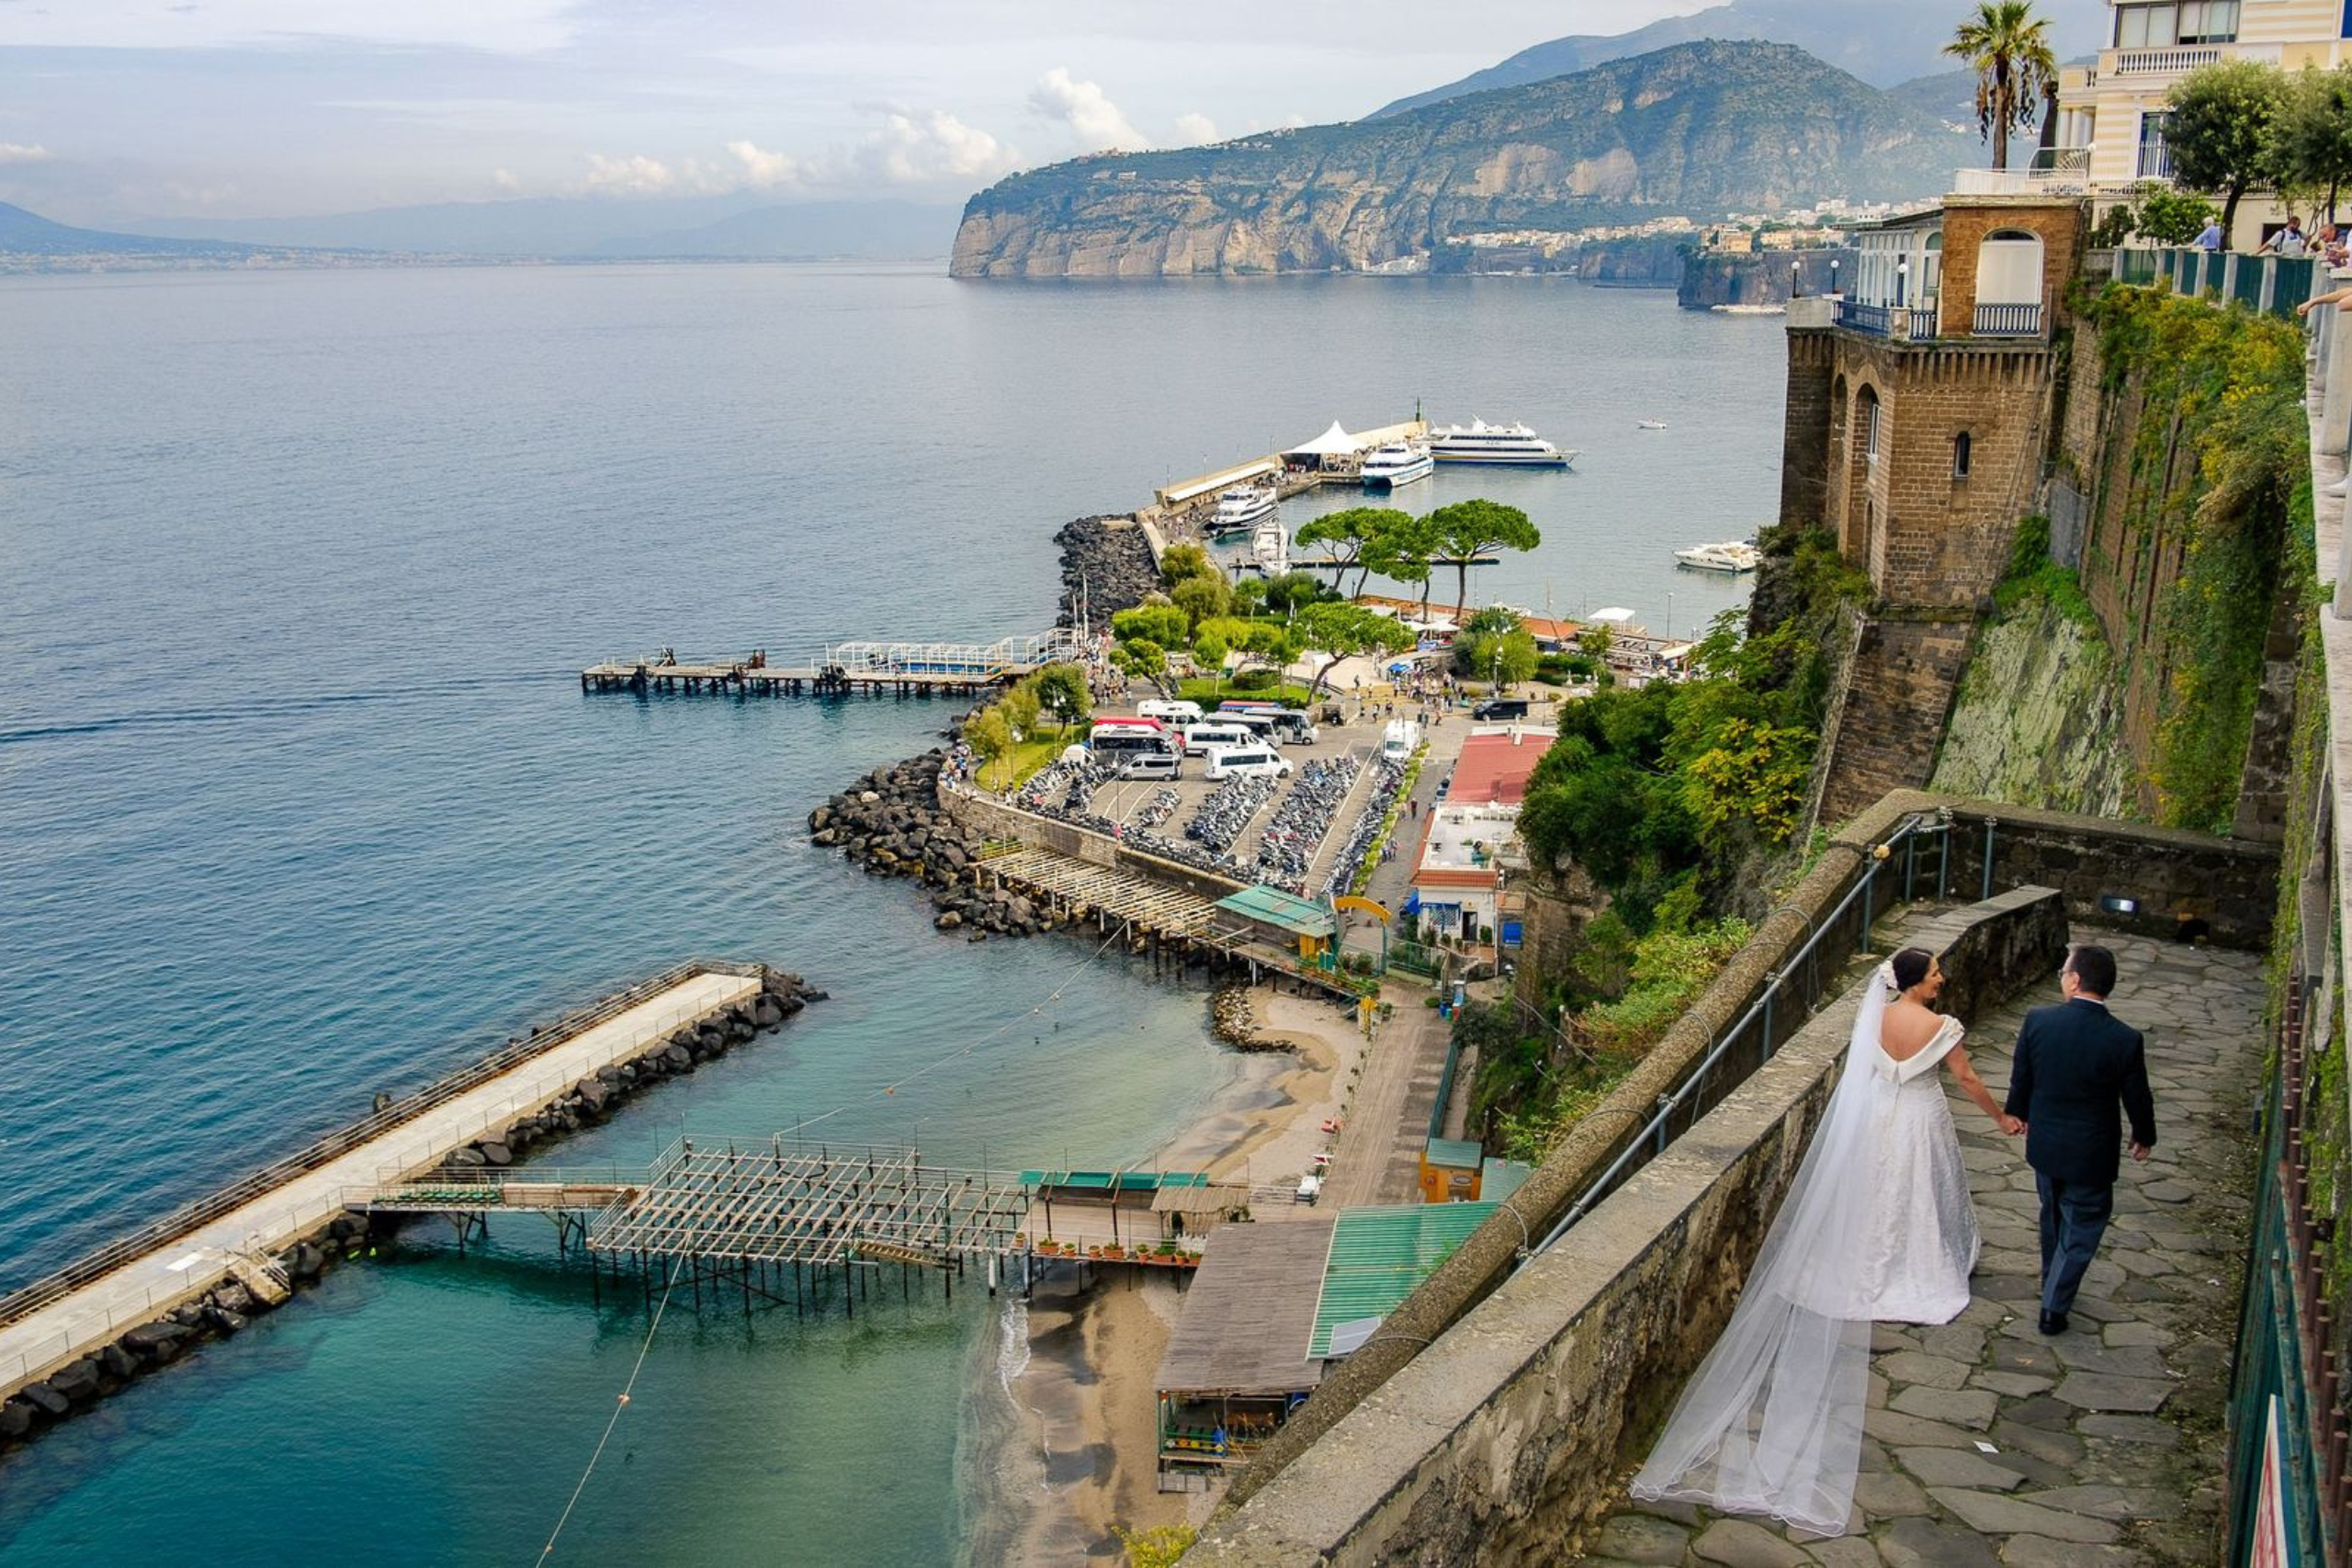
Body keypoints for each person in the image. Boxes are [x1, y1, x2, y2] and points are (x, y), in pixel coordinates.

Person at [1631, 947, 2019, 1536]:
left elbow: (1860, 1075)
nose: (1944, 977)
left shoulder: (1877, 1016)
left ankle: (1862, 1264)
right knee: (1911, 1198)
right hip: (1917, 1121)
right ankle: (1905, 1271)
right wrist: (2003, 1118)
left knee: (1870, 1198)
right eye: (1936, 970)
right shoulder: (1941, 1027)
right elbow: (1964, 1077)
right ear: (1917, 981)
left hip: (1875, 1120)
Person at [2003, 943, 2155, 1336]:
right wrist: (2144, 1135)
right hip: (2092, 1149)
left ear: (2075, 980)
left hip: (2047, 1142)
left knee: (2052, 1214)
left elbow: (2023, 1077)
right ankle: (2054, 1305)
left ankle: (2052, 1282)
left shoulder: (2038, 1021)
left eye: (2062, 974)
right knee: (2082, 1226)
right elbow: (2137, 1095)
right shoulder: (2124, 1039)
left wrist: (2017, 1113)